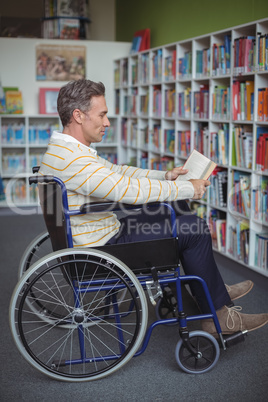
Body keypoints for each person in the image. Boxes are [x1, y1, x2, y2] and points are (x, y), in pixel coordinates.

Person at [40, 79, 268, 336]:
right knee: (193, 227)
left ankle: (211, 290)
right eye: (102, 115)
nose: (107, 123)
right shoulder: (73, 159)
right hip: (100, 252)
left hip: (100, 235)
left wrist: (165, 176)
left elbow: (118, 172)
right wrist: (187, 187)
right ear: (78, 116)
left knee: (178, 209)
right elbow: (128, 191)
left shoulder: (66, 151)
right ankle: (218, 317)